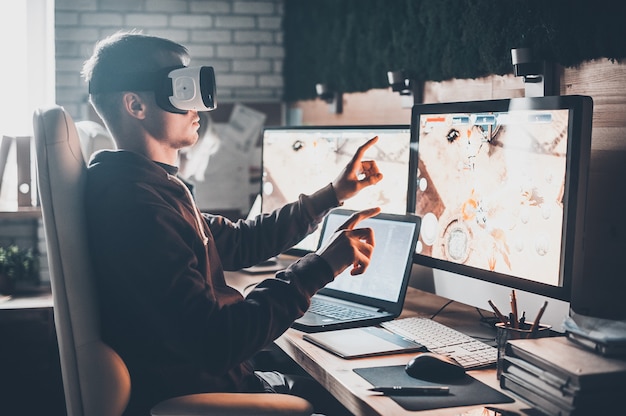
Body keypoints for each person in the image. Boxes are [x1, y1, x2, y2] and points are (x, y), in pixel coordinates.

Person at [81, 31, 383, 415]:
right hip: (204, 393)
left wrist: (333, 193)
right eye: (181, 89)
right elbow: (217, 341)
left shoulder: (148, 186)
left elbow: (240, 242)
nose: (199, 108)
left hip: (218, 380)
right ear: (136, 105)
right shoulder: (136, 206)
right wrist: (321, 266)